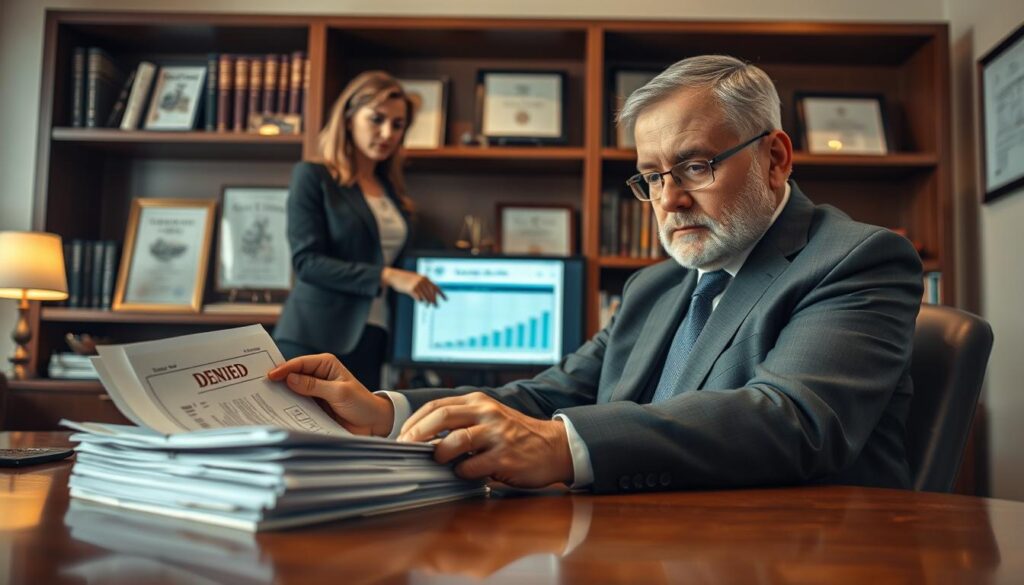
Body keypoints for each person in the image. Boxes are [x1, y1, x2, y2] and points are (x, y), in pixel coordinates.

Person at [268, 55, 923, 493]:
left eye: (695, 166)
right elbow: (555, 394)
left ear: (775, 158)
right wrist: (389, 412)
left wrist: (561, 446)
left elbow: (792, 419)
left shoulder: (856, 259)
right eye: (653, 176)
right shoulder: (658, 285)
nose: (668, 200)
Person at [274, 71, 445, 390]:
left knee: (356, 437)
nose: (387, 133)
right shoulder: (314, 177)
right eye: (377, 119)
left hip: (373, 336)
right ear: (349, 118)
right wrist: (387, 276)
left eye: (397, 125)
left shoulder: (391, 191)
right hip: (315, 336)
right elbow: (307, 263)